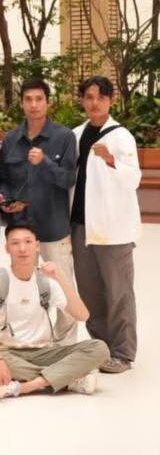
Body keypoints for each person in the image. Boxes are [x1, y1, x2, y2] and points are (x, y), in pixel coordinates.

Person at [0, 223, 109, 399]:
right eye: (15, 243)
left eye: (28, 242)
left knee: (99, 348)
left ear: (37, 246)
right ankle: (69, 379)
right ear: (7, 248)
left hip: (44, 351)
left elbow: (82, 315)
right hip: (7, 351)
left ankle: (27, 386)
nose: (22, 248)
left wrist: (60, 277)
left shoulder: (47, 281)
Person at [71, 76, 141, 374]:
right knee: (89, 292)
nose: (94, 103)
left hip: (113, 229)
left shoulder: (121, 136)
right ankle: (101, 348)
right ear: (82, 100)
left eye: (101, 97)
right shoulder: (76, 134)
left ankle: (123, 353)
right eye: (89, 97)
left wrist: (112, 160)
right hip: (80, 226)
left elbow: (134, 179)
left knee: (118, 292)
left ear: (111, 100)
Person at [0, 78, 78, 284]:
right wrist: (5, 199)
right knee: (24, 289)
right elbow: (4, 179)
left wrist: (45, 162)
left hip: (54, 229)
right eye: (28, 99)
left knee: (63, 289)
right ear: (21, 103)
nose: (33, 105)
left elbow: (69, 179)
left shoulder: (65, 136)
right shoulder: (10, 139)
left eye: (39, 99)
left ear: (48, 102)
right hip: (21, 230)